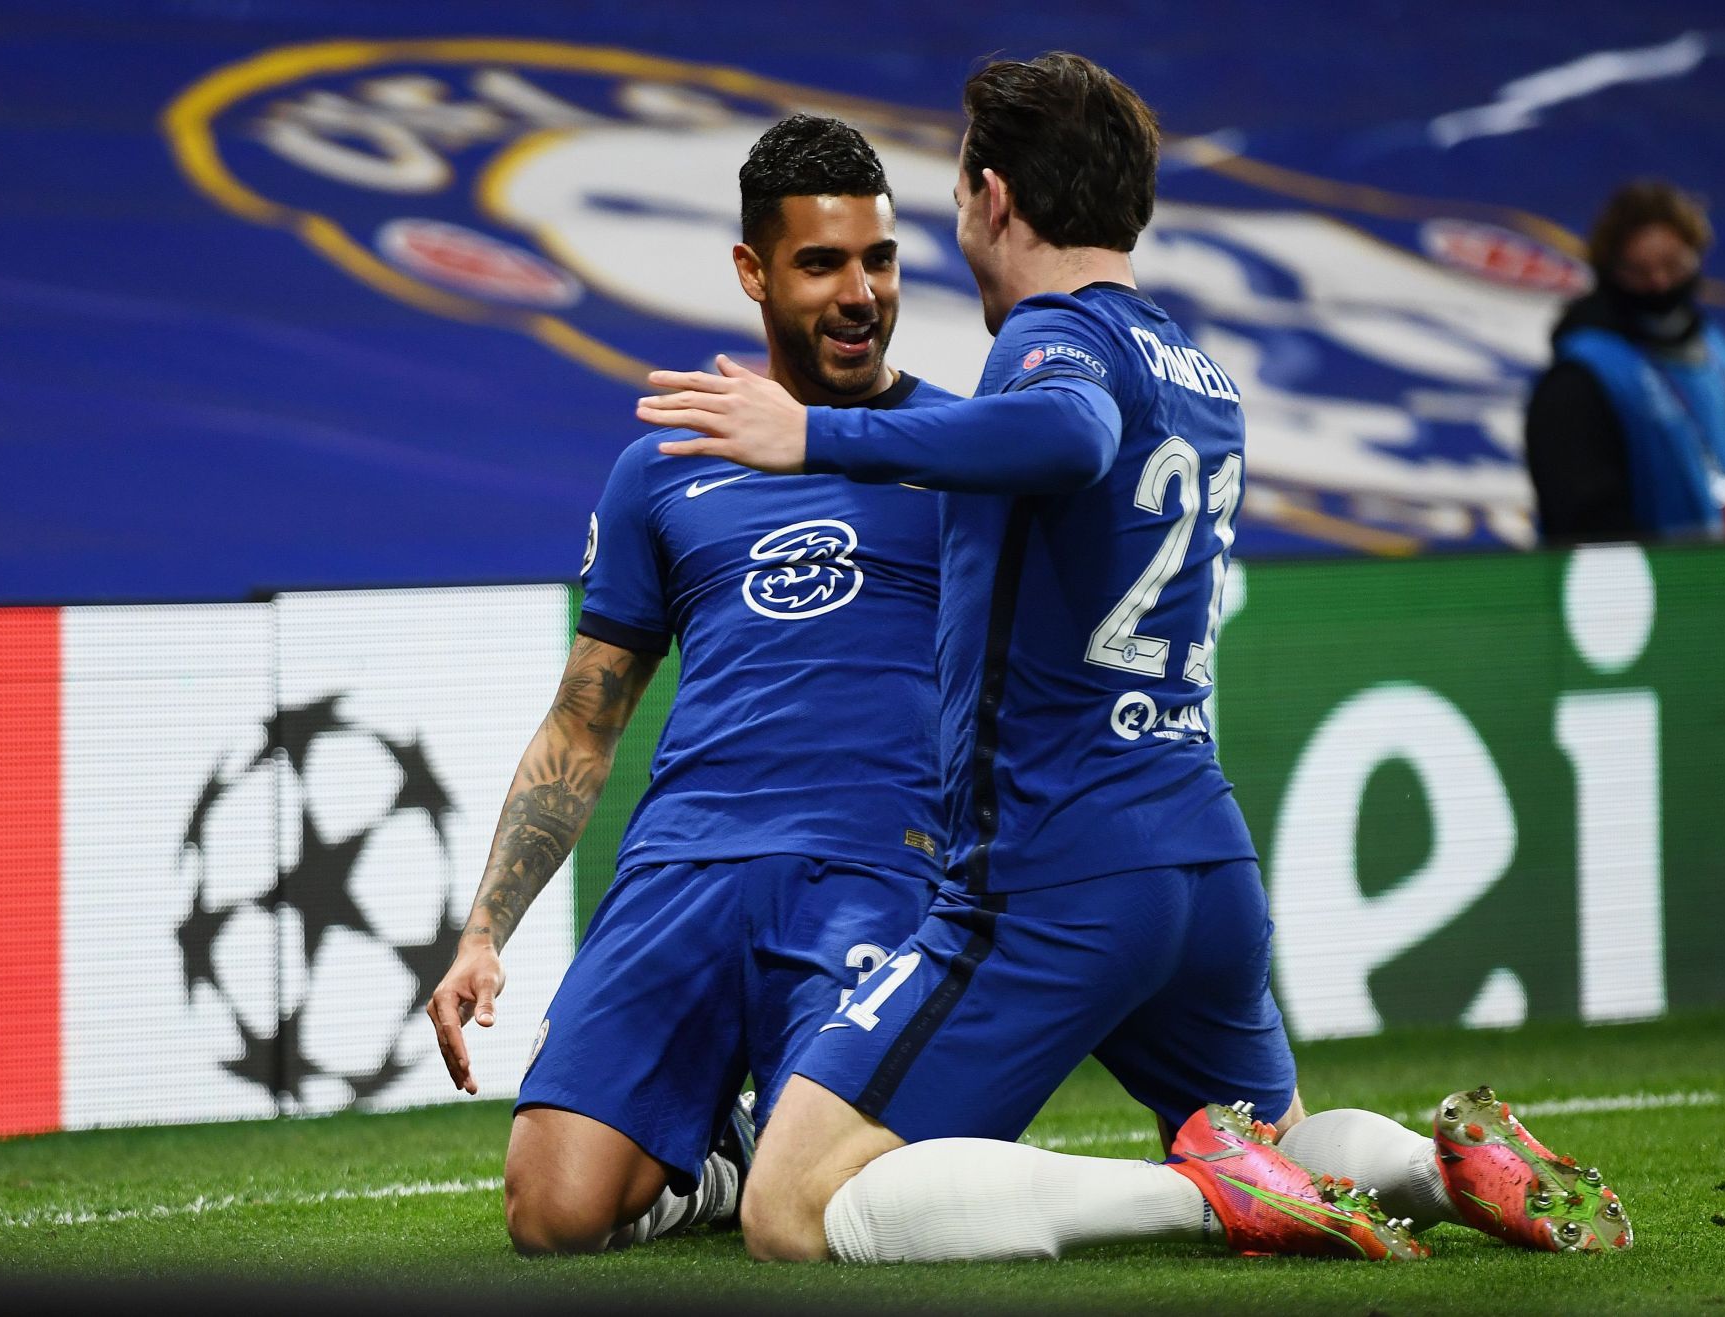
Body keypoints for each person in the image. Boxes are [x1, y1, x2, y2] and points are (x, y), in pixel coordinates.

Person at [639, 52, 1631, 1264]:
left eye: (956, 200)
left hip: (1054, 867)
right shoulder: (1200, 372)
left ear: (996, 198)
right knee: (1273, 1128)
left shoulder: (1053, 344)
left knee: (791, 1205)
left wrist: (817, 436)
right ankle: (1442, 1167)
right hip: (1200, 860)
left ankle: (1199, 1196)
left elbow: (1068, 432)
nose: (957, 226)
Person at [427, 113, 958, 1255]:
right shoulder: (663, 465)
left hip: (872, 870)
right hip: (683, 868)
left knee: (836, 1206)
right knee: (550, 1216)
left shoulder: (964, 450)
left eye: (879, 259)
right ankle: (717, 1158)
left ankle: (768, 1140)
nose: (860, 292)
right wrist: (484, 934)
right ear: (752, 272)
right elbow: (585, 718)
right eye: (821, 264)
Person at [1526, 178, 1725, 544]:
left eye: (1673, 266)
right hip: (1649, 591)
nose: (1659, 284)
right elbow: (1584, 521)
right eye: (1638, 271)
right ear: (1610, 271)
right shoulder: (1583, 377)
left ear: (1697, 256)